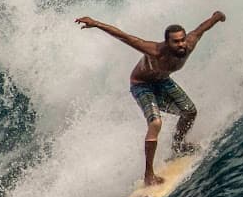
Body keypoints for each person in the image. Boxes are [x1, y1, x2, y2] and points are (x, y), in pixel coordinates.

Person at [75, 11, 226, 186]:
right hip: (142, 84)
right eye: (176, 42)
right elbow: (124, 37)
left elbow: (202, 28)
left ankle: (178, 146)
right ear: (167, 43)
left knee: (189, 112)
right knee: (155, 123)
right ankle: (149, 175)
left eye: (182, 40)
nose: (181, 45)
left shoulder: (189, 44)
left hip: (162, 81)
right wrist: (95, 23)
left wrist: (217, 16)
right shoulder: (155, 51)